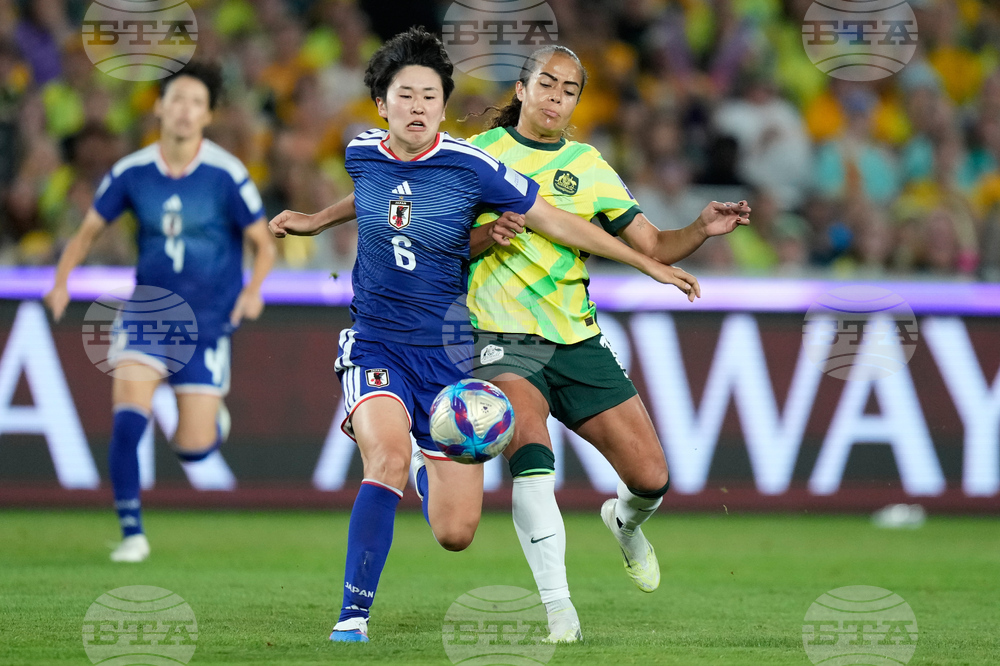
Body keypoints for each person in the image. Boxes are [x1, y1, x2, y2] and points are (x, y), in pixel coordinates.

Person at [266, 28, 701, 644]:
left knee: (455, 532)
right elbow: (372, 194)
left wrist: (647, 263)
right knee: (386, 461)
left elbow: (558, 221)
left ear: (443, 108)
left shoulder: (473, 164)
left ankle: (429, 464)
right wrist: (315, 220)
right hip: (381, 343)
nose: (417, 106)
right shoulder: (362, 151)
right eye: (404, 95)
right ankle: (353, 617)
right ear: (382, 105)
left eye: (429, 96)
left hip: (450, 357)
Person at [466, 45, 751, 642]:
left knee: (651, 478)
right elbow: (441, 244)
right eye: (547, 84)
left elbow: (651, 244)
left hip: (577, 340)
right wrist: (487, 237)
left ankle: (623, 523)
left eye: (570, 90)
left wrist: (699, 229)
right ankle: (558, 610)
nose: (557, 97)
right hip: (503, 336)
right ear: (522, 89)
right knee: (532, 461)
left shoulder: (588, 165)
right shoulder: (479, 156)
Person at [43, 62, 275, 563]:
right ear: (160, 108)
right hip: (149, 313)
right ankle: (132, 533)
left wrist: (254, 289)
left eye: (196, 102)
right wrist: (60, 281)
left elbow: (263, 242)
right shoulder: (131, 172)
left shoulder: (226, 173)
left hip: (209, 321)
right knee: (127, 418)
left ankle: (212, 424)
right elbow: (86, 231)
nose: (185, 110)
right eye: (177, 100)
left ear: (208, 114)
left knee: (193, 448)